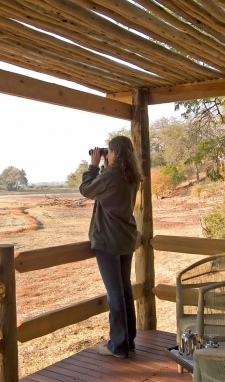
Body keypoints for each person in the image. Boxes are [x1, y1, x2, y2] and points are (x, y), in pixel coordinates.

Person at [79, 136, 142, 359]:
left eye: (109, 152)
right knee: (125, 290)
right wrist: (105, 167)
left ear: (114, 152)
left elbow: (86, 190)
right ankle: (128, 341)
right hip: (126, 239)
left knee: (114, 293)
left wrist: (93, 166)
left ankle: (118, 346)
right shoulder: (132, 176)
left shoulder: (110, 175)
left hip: (108, 241)